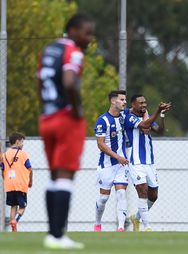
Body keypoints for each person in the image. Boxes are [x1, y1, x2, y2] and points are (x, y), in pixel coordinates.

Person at [37, 13, 94, 249]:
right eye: (86, 32)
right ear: (72, 30)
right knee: (65, 175)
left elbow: (38, 80)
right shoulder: (74, 52)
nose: (89, 38)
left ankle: (52, 233)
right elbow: (70, 82)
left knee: (53, 176)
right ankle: (58, 236)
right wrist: (77, 109)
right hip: (66, 118)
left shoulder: (49, 50)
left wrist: (47, 107)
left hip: (47, 117)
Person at [125, 95, 171, 231]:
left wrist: (162, 115)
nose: (144, 105)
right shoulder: (129, 118)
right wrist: (157, 111)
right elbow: (144, 125)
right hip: (136, 161)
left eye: (145, 102)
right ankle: (147, 227)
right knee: (143, 191)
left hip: (149, 162)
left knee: (153, 195)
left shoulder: (148, 117)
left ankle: (136, 217)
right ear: (133, 105)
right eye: (140, 103)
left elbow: (160, 131)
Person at [93, 90, 129, 232]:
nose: (124, 102)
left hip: (121, 166)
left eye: (125, 100)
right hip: (106, 165)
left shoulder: (124, 116)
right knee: (103, 199)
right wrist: (117, 157)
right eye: (122, 100)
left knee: (121, 193)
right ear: (113, 101)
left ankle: (120, 227)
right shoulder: (103, 120)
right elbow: (100, 144)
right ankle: (97, 223)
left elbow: (137, 109)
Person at [1, 133, 33, 232]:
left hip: (9, 185)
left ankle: (13, 228)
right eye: (22, 142)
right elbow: (30, 169)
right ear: (17, 141)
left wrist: (5, 180)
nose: (23, 144)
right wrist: (30, 181)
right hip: (21, 185)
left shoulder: (4, 155)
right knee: (23, 206)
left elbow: (2, 170)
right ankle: (15, 221)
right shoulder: (23, 154)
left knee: (13, 206)